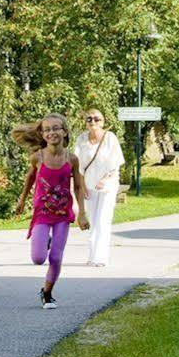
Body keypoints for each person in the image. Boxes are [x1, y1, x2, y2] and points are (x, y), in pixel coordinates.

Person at [12, 113, 89, 310]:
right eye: (47, 129)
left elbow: (79, 186)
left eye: (56, 128)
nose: (52, 132)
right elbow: (30, 179)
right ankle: (44, 240)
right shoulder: (37, 157)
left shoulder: (72, 159)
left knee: (56, 257)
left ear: (64, 132)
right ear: (43, 134)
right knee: (38, 258)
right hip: (42, 213)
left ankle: (47, 293)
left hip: (62, 214)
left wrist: (81, 213)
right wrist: (21, 201)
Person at [73, 109, 124, 266]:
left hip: (107, 186)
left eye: (97, 119)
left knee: (103, 220)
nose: (93, 122)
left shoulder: (110, 138)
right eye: (89, 119)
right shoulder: (81, 139)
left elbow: (116, 165)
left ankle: (100, 258)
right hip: (89, 186)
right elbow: (78, 166)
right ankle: (93, 256)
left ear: (103, 121)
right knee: (94, 222)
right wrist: (82, 186)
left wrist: (105, 180)